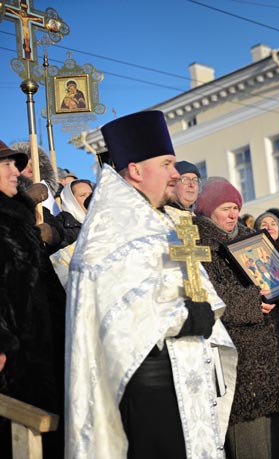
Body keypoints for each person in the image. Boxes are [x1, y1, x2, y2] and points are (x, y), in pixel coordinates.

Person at [65, 111, 238, 458]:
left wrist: (206, 308)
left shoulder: (162, 220)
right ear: (136, 170)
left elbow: (188, 282)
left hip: (188, 371)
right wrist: (186, 317)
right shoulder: (109, 228)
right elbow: (114, 311)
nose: (176, 174)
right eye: (167, 163)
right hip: (147, 384)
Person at [193, 178, 279, 458]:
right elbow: (206, 295)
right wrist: (252, 301)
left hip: (276, 359)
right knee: (252, 444)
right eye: (225, 208)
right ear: (208, 209)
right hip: (242, 363)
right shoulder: (197, 242)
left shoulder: (252, 239)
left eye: (236, 208)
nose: (233, 214)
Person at [0, 141, 66, 459]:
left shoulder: (18, 216)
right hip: (11, 363)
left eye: (16, 164)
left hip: (41, 350)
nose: (16, 171)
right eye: (6, 165)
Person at [55, 179, 92, 247]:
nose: (89, 199)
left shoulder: (104, 222)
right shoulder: (60, 227)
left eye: (91, 195)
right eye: (82, 195)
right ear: (70, 200)